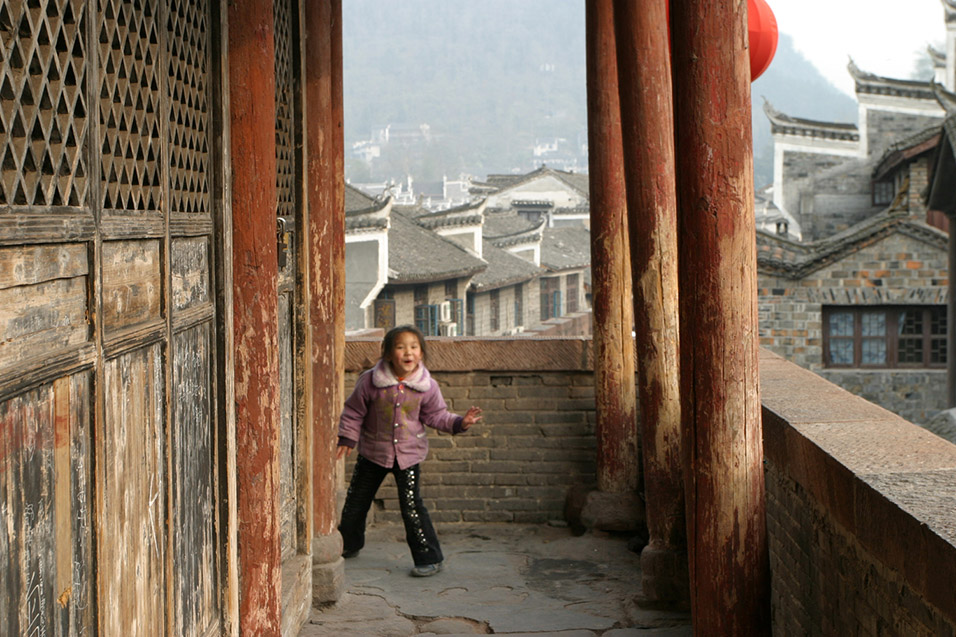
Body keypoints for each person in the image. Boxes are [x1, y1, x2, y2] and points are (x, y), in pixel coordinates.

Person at [336, 325, 482, 577]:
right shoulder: (370, 381)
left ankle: (429, 557)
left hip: (408, 455)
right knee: (357, 500)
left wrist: (460, 423)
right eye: (401, 346)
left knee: (412, 506)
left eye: (414, 347)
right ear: (388, 353)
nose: (408, 352)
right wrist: (348, 438)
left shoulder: (427, 386)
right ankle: (348, 544)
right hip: (372, 452)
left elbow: (437, 415)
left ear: (421, 354)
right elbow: (353, 412)